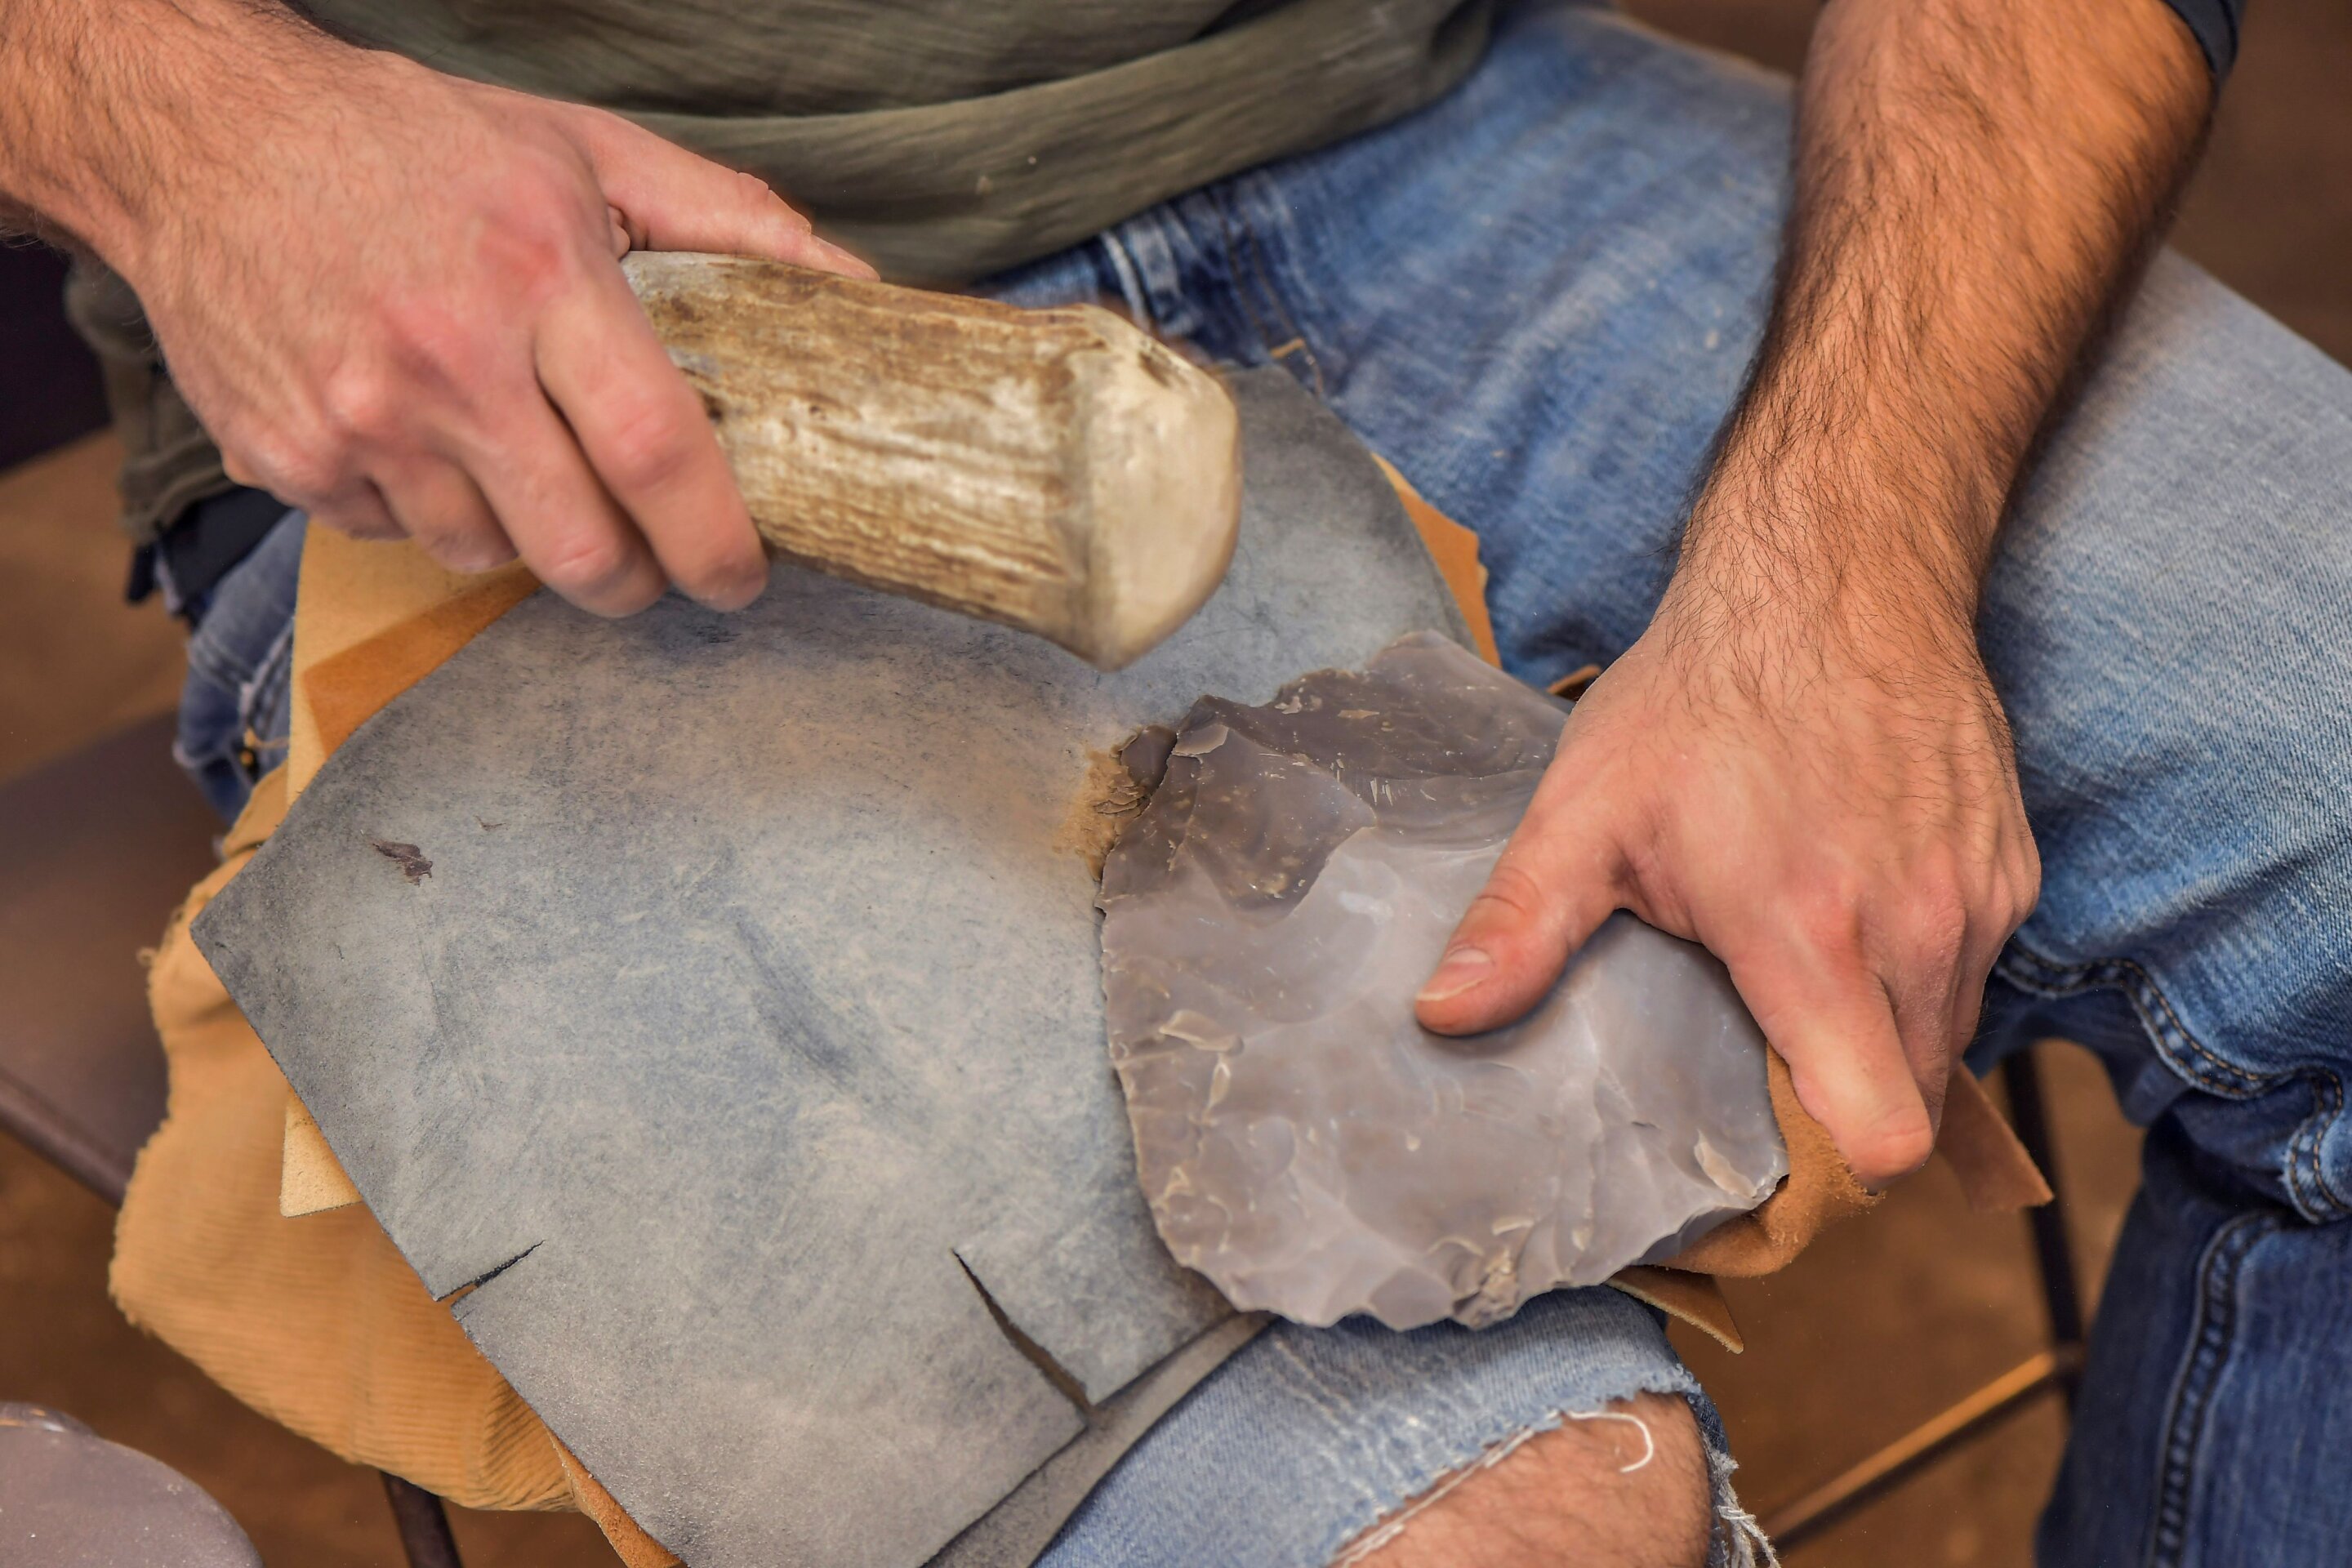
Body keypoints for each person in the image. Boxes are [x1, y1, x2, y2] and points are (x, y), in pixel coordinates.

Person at [4, 0, 2344, 1562]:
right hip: (548, 320)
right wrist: (181, 121)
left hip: (1412, 121)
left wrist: (1845, 565)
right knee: (1496, 1528)